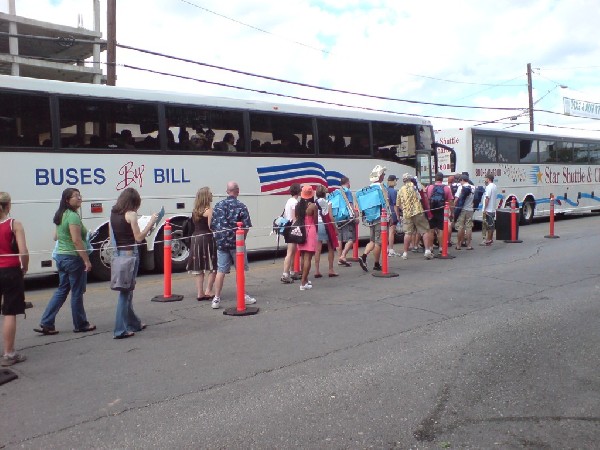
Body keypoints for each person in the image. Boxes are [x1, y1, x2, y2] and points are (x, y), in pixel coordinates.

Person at [35, 188, 95, 336]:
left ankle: (47, 322)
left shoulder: (61, 215)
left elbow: (56, 237)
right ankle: (80, 324)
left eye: (80, 195)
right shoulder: (73, 217)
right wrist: (86, 260)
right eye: (76, 196)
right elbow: (76, 240)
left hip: (61, 257)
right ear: (67, 200)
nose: (79, 198)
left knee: (62, 290)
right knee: (77, 292)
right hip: (73, 258)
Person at [111, 188, 159, 339]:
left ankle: (133, 323)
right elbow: (138, 237)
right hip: (130, 253)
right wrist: (151, 222)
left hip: (119, 252)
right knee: (125, 293)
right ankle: (120, 329)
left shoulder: (113, 213)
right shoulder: (131, 214)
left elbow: (111, 233)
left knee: (128, 290)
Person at [210, 181, 257, 309]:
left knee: (221, 271)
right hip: (237, 244)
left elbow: (213, 225)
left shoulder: (218, 205)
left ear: (227, 192)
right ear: (237, 191)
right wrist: (242, 239)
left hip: (221, 244)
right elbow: (246, 226)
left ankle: (216, 298)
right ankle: (242, 296)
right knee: (240, 270)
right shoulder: (241, 206)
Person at [0, 192, 29, 366]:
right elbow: (23, 250)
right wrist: (24, 266)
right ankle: (9, 353)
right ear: (8, 206)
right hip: (10, 269)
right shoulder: (13, 224)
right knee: (9, 311)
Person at [187, 187, 217, 300]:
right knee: (213, 266)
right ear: (206, 196)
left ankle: (200, 293)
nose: (211, 194)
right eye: (210, 193)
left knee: (198, 267)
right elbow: (211, 227)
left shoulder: (195, 210)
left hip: (195, 238)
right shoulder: (209, 210)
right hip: (206, 238)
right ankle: (208, 290)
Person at [359, 165, 390, 271]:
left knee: (372, 240)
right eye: (383, 174)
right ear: (380, 176)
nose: (384, 176)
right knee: (378, 243)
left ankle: (363, 256)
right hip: (380, 218)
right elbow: (386, 202)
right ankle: (376, 264)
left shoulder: (369, 188)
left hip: (371, 217)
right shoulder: (381, 187)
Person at [397, 174, 434, 260]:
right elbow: (424, 198)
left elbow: (398, 204)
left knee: (408, 233)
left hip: (407, 213)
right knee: (425, 231)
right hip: (418, 211)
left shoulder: (401, 190)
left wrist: (403, 210)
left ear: (403, 181)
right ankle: (427, 251)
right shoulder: (417, 186)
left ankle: (405, 253)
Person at [296, 185, 318, 290]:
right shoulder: (313, 206)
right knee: (308, 257)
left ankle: (304, 279)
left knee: (303, 255)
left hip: (301, 230)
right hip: (310, 230)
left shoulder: (298, 205)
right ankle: (303, 282)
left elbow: (296, 218)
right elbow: (316, 221)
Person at [426, 172, 454, 254]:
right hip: (441, 210)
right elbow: (450, 201)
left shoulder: (429, 187)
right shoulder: (446, 188)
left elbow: (426, 199)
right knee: (440, 230)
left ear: (435, 178)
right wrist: (452, 212)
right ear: (442, 179)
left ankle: (430, 247)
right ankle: (441, 247)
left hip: (431, 210)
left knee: (430, 230)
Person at [314, 185, 338, 278]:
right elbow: (331, 216)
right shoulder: (328, 202)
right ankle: (331, 269)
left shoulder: (315, 203)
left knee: (318, 248)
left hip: (318, 225)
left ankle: (316, 270)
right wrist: (335, 227)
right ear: (324, 193)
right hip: (327, 225)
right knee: (330, 247)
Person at [281, 183, 301, 284]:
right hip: (292, 228)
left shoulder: (289, 201)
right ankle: (285, 274)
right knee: (290, 252)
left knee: (293, 251)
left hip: (287, 227)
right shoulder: (295, 202)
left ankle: (292, 272)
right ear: (298, 191)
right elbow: (294, 217)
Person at [336, 177, 357, 267]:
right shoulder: (347, 192)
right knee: (351, 239)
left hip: (338, 218)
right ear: (347, 183)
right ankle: (343, 255)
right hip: (347, 218)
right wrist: (355, 215)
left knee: (339, 239)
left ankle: (339, 258)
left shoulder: (337, 192)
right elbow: (350, 204)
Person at [454, 175, 475, 250]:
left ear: (463, 180)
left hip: (462, 210)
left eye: (460, 181)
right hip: (470, 210)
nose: (460, 182)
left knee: (460, 227)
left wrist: (454, 207)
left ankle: (459, 244)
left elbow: (456, 199)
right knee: (469, 227)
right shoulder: (473, 187)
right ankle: (469, 245)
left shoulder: (461, 187)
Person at [481, 173, 498, 246]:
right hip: (492, 209)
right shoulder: (494, 186)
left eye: (485, 178)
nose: (485, 180)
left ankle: (488, 240)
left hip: (489, 209)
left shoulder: (489, 187)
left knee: (488, 225)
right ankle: (490, 239)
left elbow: (487, 198)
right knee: (491, 225)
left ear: (488, 179)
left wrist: (485, 209)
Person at [386, 174, 400, 257]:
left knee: (387, 231)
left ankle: (387, 248)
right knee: (392, 231)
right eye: (396, 180)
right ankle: (391, 249)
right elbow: (395, 205)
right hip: (392, 212)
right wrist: (398, 215)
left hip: (386, 212)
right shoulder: (394, 191)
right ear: (393, 181)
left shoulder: (385, 190)